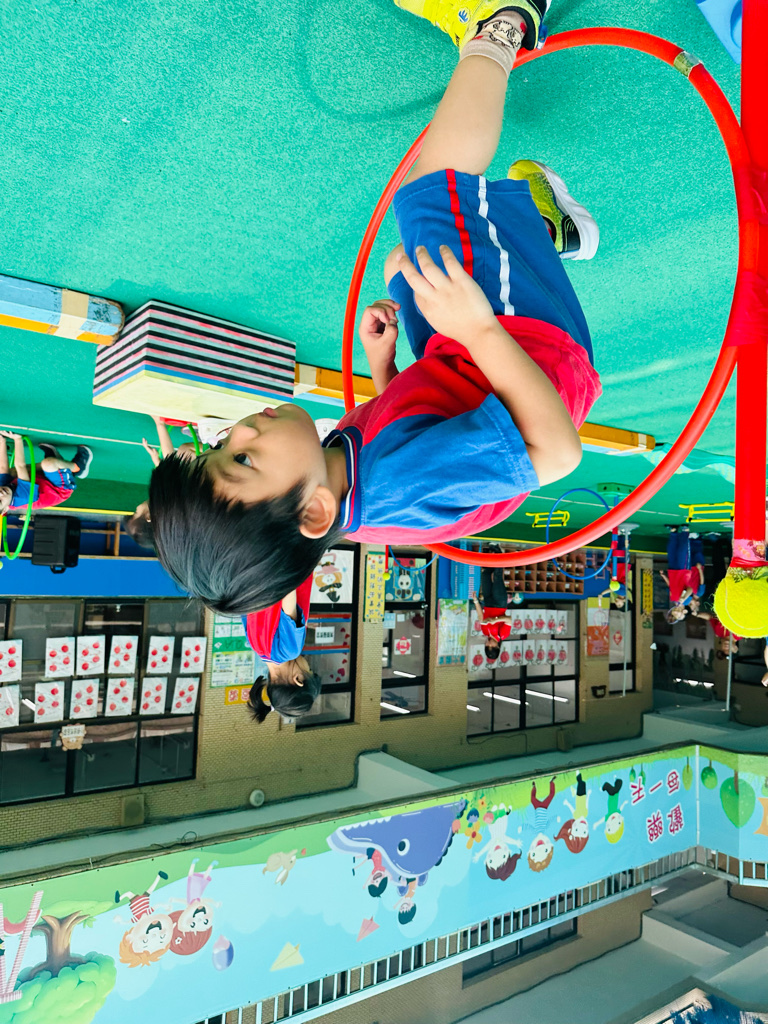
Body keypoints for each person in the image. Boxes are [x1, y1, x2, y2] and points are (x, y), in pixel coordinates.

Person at [148, 0, 601, 615]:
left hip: (464, 368)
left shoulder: (333, 482)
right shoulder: (398, 484)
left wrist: (382, 367)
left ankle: (547, 234)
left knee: (399, 264)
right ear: (313, 512)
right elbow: (556, 452)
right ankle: (505, 23)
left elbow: (408, 425)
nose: (241, 430)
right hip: (532, 358)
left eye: (221, 446)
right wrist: (478, 328)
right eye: (244, 459)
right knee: (428, 193)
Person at [124, 416, 198, 549]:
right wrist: (160, 424)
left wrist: (157, 462)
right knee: (185, 453)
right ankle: (213, 439)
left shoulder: (168, 511)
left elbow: (169, 475)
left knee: (184, 456)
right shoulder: (170, 502)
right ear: (148, 516)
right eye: (136, 513)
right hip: (213, 475)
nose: (136, 508)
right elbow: (170, 461)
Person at [0, 431, 92, 515]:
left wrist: (2, 441)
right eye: (0, 501)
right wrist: (17, 439)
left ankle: (54, 460)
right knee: (48, 464)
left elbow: (3, 467)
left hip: (43, 481)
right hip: (59, 489)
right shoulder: (23, 498)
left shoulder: (2, 490)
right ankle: (78, 468)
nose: (0, 494)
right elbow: (20, 466)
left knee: (12, 472)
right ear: (5, 509)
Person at [472, 543, 512, 662]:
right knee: (497, 577)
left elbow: (481, 616)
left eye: (487, 646)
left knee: (485, 574)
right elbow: (509, 620)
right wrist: (495, 620)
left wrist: (476, 602)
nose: (489, 644)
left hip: (488, 603)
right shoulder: (502, 635)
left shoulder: (485, 632)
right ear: (498, 646)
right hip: (500, 603)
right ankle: (498, 550)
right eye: (492, 647)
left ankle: (491, 556)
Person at [660, 526, 705, 623]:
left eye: (674, 615)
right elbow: (689, 589)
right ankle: (685, 532)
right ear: (684, 612)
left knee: (671, 552)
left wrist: (664, 576)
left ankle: (673, 532)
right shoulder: (686, 601)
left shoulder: (673, 599)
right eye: (678, 616)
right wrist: (683, 597)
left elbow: (671, 586)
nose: (675, 614)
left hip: (672, 572)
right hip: (684, 572)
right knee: (682, 552)